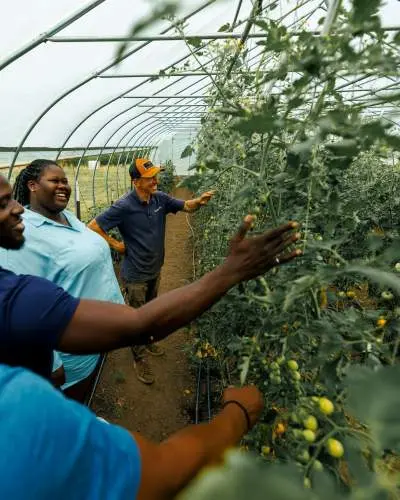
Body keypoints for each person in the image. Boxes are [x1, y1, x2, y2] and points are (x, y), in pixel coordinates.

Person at [0, 173, 301, 499]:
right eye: (3, 204)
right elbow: (158, 474)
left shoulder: (56, 237)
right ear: (136, 180)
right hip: (78, 347)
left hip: (96, 332)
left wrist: (196, 204)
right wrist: (238, 415)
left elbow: (179, 206)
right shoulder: (19, 398)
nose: (18, 209)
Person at [0, 159, 125, 403]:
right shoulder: (23, 234)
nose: (63, 186)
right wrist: (53, 363)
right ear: (33, 185)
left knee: (87, 393)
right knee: (73, 404)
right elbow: (25, 310)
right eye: (54, 181)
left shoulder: (67, 216)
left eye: (65, 181)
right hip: (70, 356)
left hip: (98, 333)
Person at [88, 157, 215, 384]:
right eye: (150, 178)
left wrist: (199, 200)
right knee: (137, 318)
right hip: (135, 273)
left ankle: (147, 342)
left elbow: (186, 206)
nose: (155, 180)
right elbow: (94, 226)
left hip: (154, 269)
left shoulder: (160, 199)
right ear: (136, 181)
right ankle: (139, 359)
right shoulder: (124, 206)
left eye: (156, 176)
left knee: (151, 310)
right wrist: (116, 245)